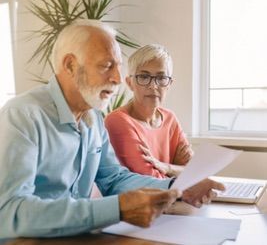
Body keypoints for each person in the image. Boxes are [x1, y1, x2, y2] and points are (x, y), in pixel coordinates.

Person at [0, 20, 223, 238]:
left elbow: (114, 179)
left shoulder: (94, 118)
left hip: (78, 236)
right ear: (70, 65)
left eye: (118, 67)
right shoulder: (22, 116)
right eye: (107, 66)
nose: (117, 79)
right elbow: (10, 212)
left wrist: (176, 187)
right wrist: (117, 209)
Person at [105, 44, 223, 202]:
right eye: (144, 77)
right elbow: (153, 180)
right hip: (139, 209)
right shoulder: (118, 121)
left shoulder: (170, 118)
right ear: (129, 83)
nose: (153, 86)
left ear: (169, 84)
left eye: (161, 78)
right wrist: (177, 173)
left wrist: (166, 167)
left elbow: (194, 172)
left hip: (172, 206)